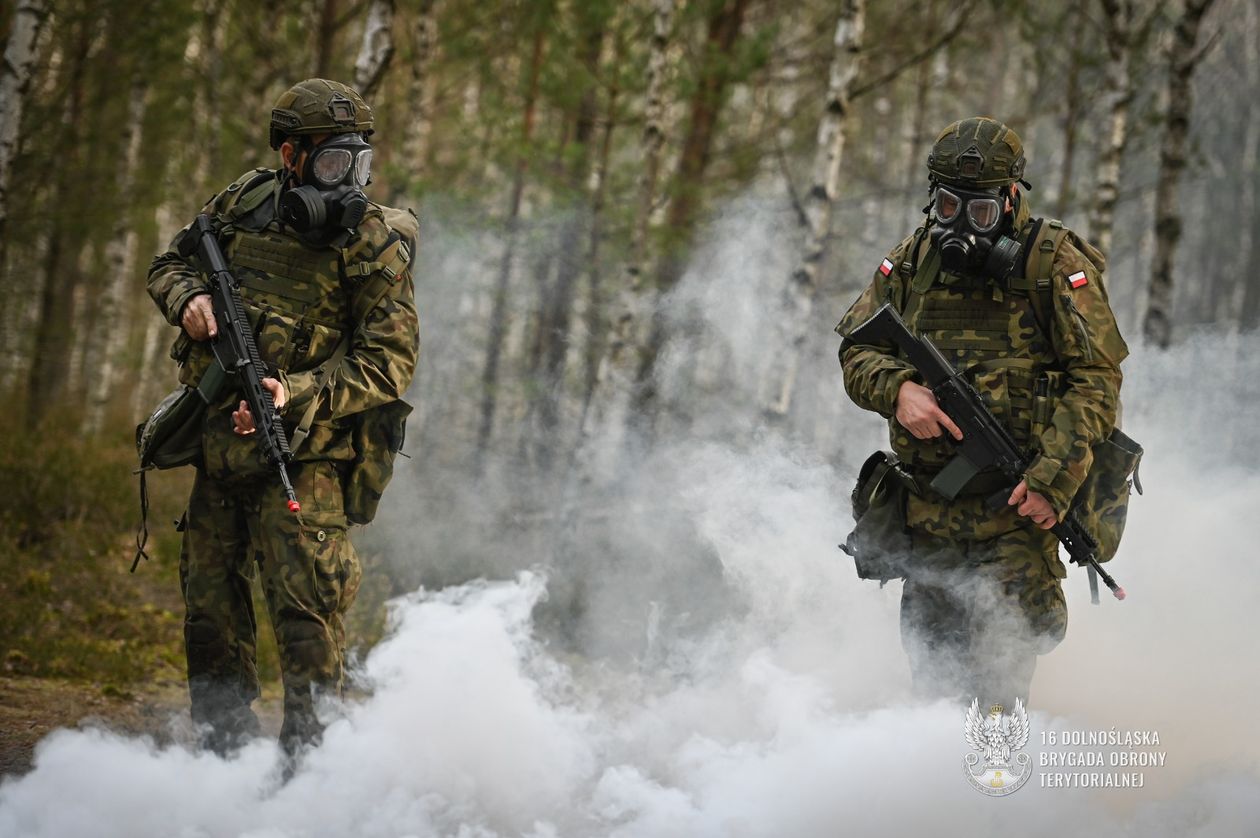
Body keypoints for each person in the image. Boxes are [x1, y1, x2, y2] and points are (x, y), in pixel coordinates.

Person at [146, 78, 419, 755]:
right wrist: (186, 299)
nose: (346, 178)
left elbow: (390, 365)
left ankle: (312, 775)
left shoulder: (373, 244)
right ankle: (223, 761)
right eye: (331, 162)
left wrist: (291, 392)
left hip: (309, 465)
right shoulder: (243, 203)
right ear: (290, 154)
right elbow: (170, 261)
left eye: (358, 161)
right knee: (210, 621)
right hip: (219, 452)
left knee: (308, 624)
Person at [835, 117, 1129, 708]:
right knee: (932, 691)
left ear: (1011, 198)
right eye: (947, 205)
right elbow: (857, 347)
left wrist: (1051, 480)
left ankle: (993, 800)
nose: (960, 226)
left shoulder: (1053, 265)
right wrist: (897, 390)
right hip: (930, 519)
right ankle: (936, 797)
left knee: (996, 697)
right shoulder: (914, 260)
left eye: (980, 214)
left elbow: (1096, 380)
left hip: (1016, 518)